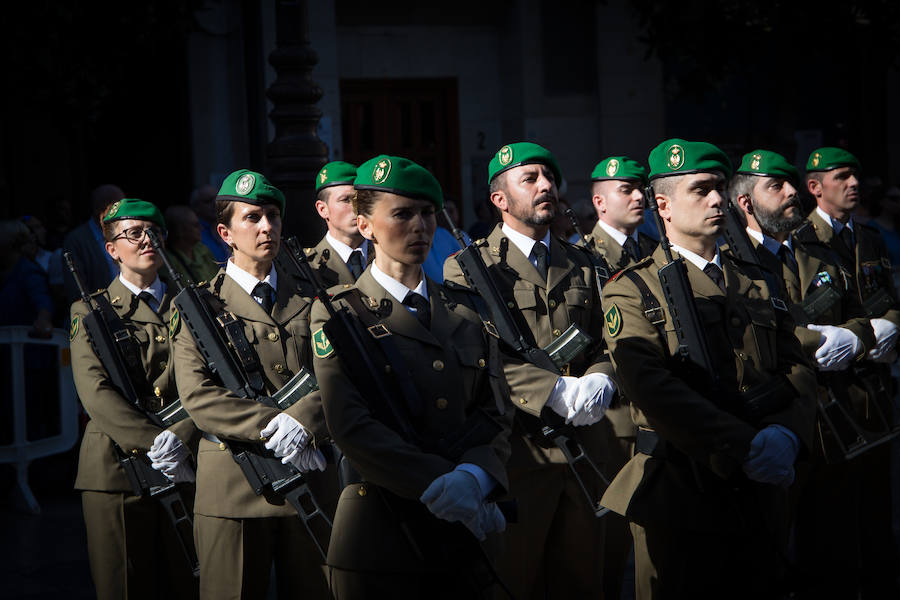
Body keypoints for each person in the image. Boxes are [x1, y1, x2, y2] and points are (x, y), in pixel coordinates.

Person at [600, 139, 817, 598]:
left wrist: (787, 434)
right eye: (700, 190)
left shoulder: (757, 277)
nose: (717, 199)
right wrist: (745, 442)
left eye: (719, 187)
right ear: (664, 205)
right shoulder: (632, 288)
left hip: (762, 487)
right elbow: (652, 388)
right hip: (682, 491)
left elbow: (797, 362)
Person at [309, 155, 513, 599]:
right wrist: (442, 482)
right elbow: (349, 424)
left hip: (465, 540)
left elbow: (495, 410)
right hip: (380, 537)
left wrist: (477, 478)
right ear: (365, 226)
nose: (419, 226)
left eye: (427, 213)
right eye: (402, 214)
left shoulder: (466, 308)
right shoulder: (338, 313)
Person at [445, 142, 617, 599]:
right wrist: (552, 390)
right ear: (499, 199)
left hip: (588, 449)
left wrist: (601, 376)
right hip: (520, 453)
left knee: (585, 583)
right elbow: (478, 352)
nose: (546, 186)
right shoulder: (468, 269)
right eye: (531, 179)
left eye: (549, 178)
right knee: (517, 580)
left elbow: (609, 339)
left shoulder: (584, 263)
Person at [172, 170, 331, 599]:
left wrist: (307, 420)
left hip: (311, 476)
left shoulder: (314, 295)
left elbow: (340, 374)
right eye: (253, 217)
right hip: (234, 487)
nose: (267, 227)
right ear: (225, 232)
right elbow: (198, 395)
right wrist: (280, 422)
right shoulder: (200, 305)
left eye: (274, 216)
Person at [69, 199, 198, 600]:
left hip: (185, 462)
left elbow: (209, 382)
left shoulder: (190, 304)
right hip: (116, 471)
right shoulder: (89, 310)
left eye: (154, 232)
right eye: (134, 233)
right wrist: (155, 440)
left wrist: (181, 437)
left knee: (188, 581)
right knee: (125, 585)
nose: (147, 240)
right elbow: (95, 391)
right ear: (111, 249)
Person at [803, 147, 900, 598]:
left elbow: (891, 298)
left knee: (878, 516)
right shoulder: (801, 241)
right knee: (833, 522)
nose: (854, 184)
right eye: (842, 176)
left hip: (876, 393)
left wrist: (892, 327)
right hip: (832, 400)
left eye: (856, 175)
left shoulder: (872, 237)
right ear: (815, 187)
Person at [581, 155, 658, 599]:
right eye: (625, 190)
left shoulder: (654, 250)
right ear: (599, 201)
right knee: (606, 547)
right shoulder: (582, 256)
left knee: (654, 542)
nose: (637, 196)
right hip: (611, 419)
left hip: (655, 412)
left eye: (640, 189)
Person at [304, 161, 370, 286]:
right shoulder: (308, 267)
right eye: (346, 200)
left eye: (360, 199)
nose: (357, 207)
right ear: (323, 209)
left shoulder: (388, 255)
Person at [62, 184, 125, 303]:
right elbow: (76, 289)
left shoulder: (124, 233)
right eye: (117, 206)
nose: (123, 212)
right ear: (99, 209)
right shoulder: (77, 240)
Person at [163, 205, 219, 284]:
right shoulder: (168, 262)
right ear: (180, 230)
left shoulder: (202, 249)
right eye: (195, 225)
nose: (201, 228)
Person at [190, 183, 231, 263]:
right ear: (196, 206)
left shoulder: (228, 226)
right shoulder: (194, 231)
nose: (215, 204)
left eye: (217, 200)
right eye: (208, 201)